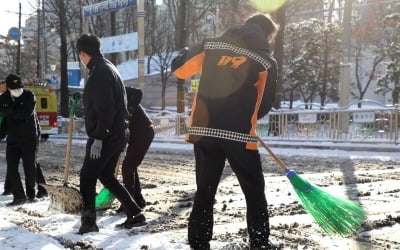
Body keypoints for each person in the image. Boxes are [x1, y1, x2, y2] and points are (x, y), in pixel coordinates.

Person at [172, 14, 282, 249]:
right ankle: (260, 242)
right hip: (239, 136)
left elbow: (179, 70)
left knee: (205, 189)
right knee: (254, 191)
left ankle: (198, 241)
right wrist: (244, 116)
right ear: (267, 34)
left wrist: (185, 52)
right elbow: (264, 105)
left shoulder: (210, 46)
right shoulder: (265, 62)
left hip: (204, 131)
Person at [76, 34, 144, 234]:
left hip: (106, 136)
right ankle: (135, 213)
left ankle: (89, 224)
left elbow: (106, 109)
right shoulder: (108, 67)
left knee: (87, 177)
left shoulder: (99, 74)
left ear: (82, 54)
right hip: (117, 133)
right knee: (106, 176)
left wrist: (98, 137)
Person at [0, 79, 47, 198]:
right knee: (13, 164)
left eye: (1, 86)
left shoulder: (27, 96)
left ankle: (40, 189)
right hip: (14, 136)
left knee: (31, 165)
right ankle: (10, 188)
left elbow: (24, 114)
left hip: (30, 135)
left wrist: (9, 111)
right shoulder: (5, 98)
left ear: (6, 85)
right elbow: (5, 119)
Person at [118, 86, 154, 211]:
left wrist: (131, 109)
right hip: (135, 134)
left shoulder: (118, 88)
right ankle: (137, 199)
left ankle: (129, 202)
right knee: (130, 166)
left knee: (128, 167)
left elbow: (138, 92)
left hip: (144, 131)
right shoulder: (110, 97)